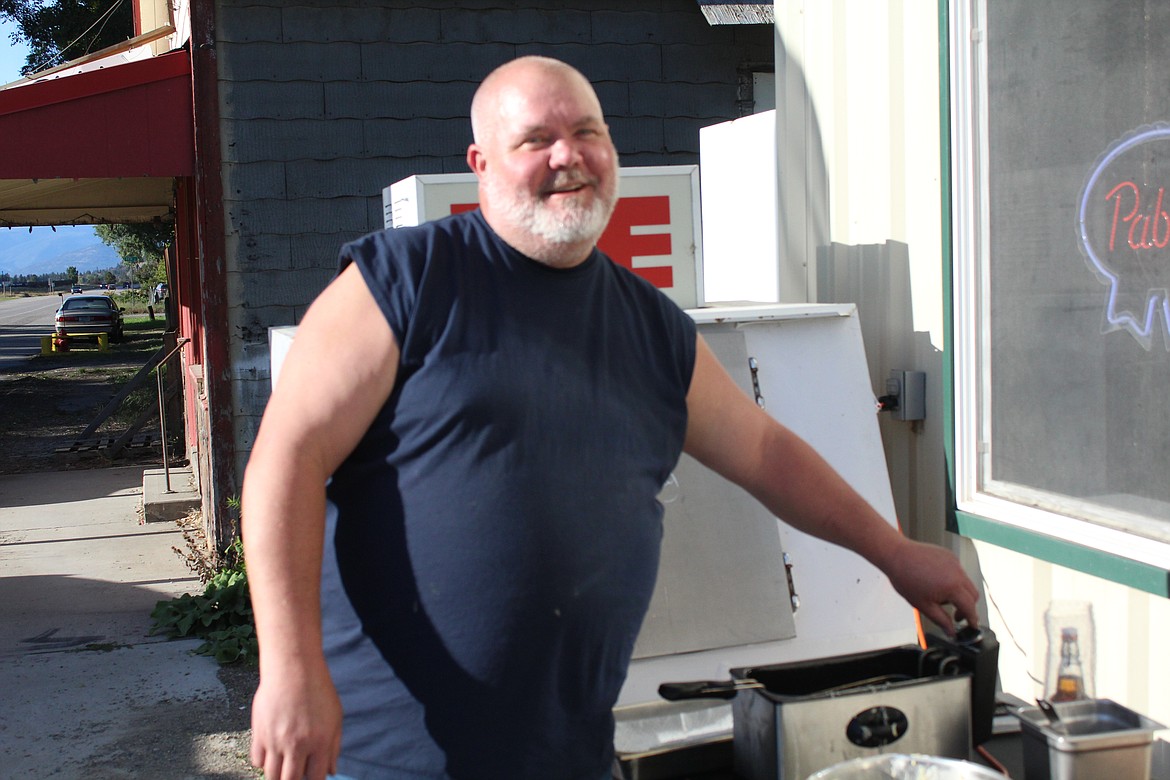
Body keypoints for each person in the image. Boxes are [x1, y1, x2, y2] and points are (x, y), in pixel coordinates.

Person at [242, 55, 980, 780]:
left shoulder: (652, 327)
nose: (570, 156)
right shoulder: (404, 279)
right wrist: (288, 670)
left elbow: (768, 454)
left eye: (588, 132)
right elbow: (287, 457)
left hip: (571, 754)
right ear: (482, 163)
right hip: (387, 757)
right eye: (536, 140)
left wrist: (894, 552)